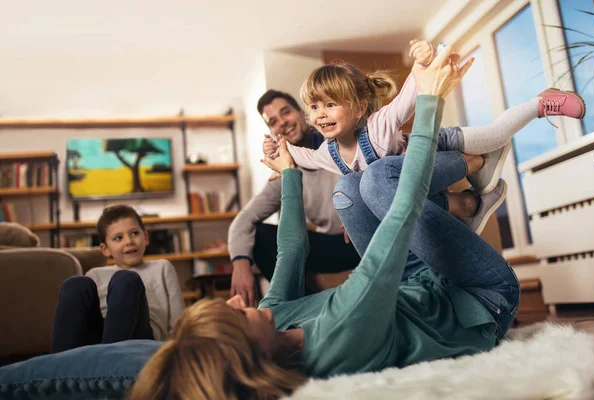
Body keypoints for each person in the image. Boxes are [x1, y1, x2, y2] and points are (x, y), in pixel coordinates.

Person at [129, 44, 520, 400]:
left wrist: (288, 173)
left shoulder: (275, 322)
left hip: (414, 283)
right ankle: (470, 188)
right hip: (479, 298)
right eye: (234, 313)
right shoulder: (340, 332)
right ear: (249, 353)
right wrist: (431, 100)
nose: (235, 300)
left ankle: (465, 198)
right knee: (380, 180)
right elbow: (400, 213)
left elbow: (292, 250)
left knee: (348, 188)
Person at [264, 41, 586, 196]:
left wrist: (423, 61)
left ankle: (540, 103)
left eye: (330, 105)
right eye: (315, 107)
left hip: (438, 143)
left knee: (496, 135)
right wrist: (278, 155)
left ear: (360, 108)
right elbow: (300, 156)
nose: (321, 115)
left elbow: (410, 97)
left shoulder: (378, 125)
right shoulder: (329, 156)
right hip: (420, 179)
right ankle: (473, 181)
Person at [228, 89, 361, 307]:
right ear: (271, 130)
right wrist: (241, 264)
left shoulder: (340, 143)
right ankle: (299, 308)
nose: (282, 122)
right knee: (261, 236)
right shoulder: (284, 172)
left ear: (301, 112)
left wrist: (359, 211)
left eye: (286, 112)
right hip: (333, 246)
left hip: (362, 238)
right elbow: (243, 220)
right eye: (273, 121)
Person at [50, 204, 185, 353]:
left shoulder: (162, 267)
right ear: (105, 249)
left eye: (134, 233)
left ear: (145, 237)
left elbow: (179, 323)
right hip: (98, 339)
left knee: (125, 280)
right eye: (118, 238)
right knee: (74, 284)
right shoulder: (95, 274)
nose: (128, 241)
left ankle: (111, 364)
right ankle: (58, 366)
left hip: (142, 339)